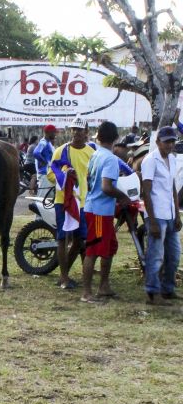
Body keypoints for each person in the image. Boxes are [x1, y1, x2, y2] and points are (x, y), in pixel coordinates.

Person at [80, 121, 131, 303]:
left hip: (97, 208)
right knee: (93, 250)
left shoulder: (95, 155)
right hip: (99, 212)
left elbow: (90, 179)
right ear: (116, 138)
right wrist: (123, 196)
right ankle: (86, 292)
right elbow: (107, 187)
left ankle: (104, 286)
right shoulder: (110, 159)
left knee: (108, 247)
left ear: (99, 137)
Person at [47, 117, 95, 290]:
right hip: (63, 201)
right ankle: (64, 277)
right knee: (62, 238)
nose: (76, 133)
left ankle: (65, 272)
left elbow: (93, 176)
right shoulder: (61, 151)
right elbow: (50, 174)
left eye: (79, 130)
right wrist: (65, 177)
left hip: (83, 203)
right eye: (74, 129)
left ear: (86, 132)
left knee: (80, 239)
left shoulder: (91, 153)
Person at [140, 126, 181, 305]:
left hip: (170, 213)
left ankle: (167, 289)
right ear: (158, 142)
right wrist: (152, 221)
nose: (170, 145)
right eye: (166, 142)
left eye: (172, 141)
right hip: (156, 214)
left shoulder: (172, 159)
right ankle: (152, 292)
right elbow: (146, 192)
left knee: (174, 255)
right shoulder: (150, 160)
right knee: (156, 256)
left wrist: (177, 214)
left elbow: (173, 188)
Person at [33, 125, 57, 195]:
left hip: (49, 174)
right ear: (48, 132)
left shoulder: (48, 143)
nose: (55, 134)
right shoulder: (43, 142)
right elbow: (36, 153)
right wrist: (45, 162)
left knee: (49, 197)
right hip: (44, 174)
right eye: (54, 132)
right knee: (42, 197)